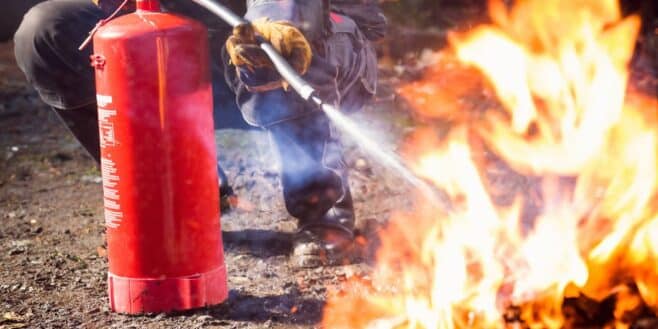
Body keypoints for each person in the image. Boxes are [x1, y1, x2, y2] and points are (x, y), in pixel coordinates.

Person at [13, 0, 386, 267]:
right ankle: (182, 197)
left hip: (312, 38)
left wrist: (273, 18)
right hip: (188, 47)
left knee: (276, 35)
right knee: (46, 31)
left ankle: (322, 213)